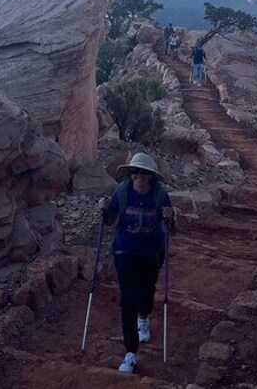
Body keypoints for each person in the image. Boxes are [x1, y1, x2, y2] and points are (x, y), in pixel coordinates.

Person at [99, 153, 174, 374]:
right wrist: (104, 211)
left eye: (144, 173)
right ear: (131, 174)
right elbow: (111, 219)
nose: (140, 176)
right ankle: (130, 352)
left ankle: (144, 317)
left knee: (147, 291)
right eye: (136, 172)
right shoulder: (122, 191)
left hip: (151, 253)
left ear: (151, 177)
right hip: (125, 252)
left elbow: (170, 226)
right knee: (127, 300)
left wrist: (171, 217)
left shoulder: (160, 195)